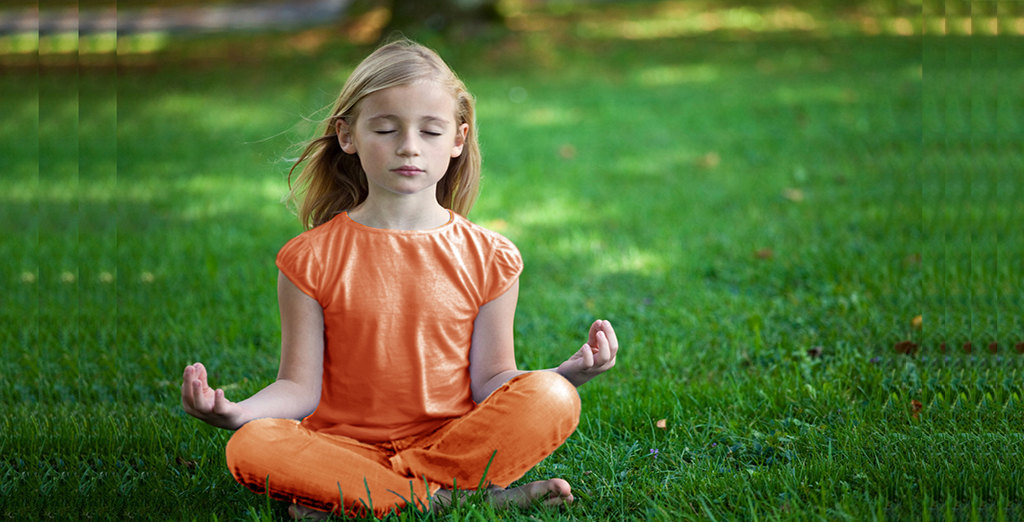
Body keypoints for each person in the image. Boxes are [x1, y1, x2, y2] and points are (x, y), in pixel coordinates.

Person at [180, 39, 619, 519]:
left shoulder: (491, 256)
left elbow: (493, 380)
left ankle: (366, 497)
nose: (409, 146)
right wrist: (237, 412)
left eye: (430, 131)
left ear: (457, 139)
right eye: (386, 129)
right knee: (252, 444)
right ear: (347, 135)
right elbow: (298, 388)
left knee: (553, 398)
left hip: (455, 445)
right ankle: (449, 497)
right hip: (342, 448)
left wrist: (568, 375)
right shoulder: (308, 258)